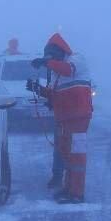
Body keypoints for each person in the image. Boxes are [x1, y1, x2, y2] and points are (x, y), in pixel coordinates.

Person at [28, 32, 93, 204]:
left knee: (77, 156)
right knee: (67, 155)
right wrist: (37, 89)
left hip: (79, 117)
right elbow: (53, 94)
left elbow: (68, 70)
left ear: (60, 51)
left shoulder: (76, 59)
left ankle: (77, 194)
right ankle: (68, 188)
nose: (50, 61)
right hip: (64, 118)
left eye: (52, 56)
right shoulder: (56, 74)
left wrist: (46, 62)